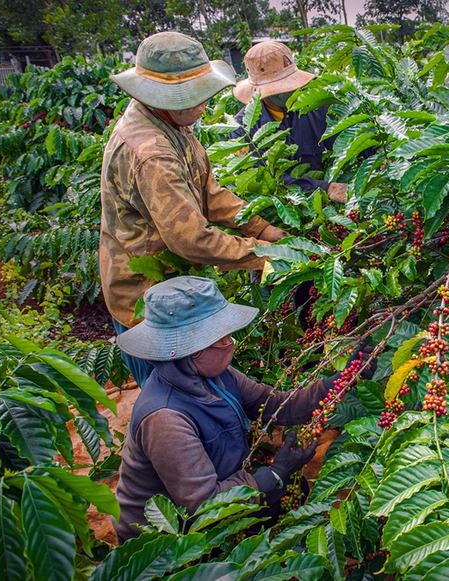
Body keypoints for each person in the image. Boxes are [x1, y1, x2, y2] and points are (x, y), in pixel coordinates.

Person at [112, 276, 376, 542]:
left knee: (292, 491)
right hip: (168, 536)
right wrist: (274, 473)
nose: (230, 342)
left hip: (218, 491)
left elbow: (276, 405)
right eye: (221, 337)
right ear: (190, 350)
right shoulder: (165, 418)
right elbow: (205, 504)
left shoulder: (216, 376)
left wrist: (341, 380)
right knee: (276, 493)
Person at [101, 32, 288, 388]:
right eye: (197, 96)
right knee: (175, 404)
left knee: (205, 396)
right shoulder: (151, 153)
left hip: (176, 286)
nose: (205, 105)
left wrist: (262, 228)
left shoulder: (170, 122)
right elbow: (191, 239)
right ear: (165, 97)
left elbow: (209, 191)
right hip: (148, 298)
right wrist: (269, 255)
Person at [229, 41, 349, 202]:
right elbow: (259, 179)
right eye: (284, 88)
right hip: (274, 208)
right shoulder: (242, 128)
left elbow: (346, 142)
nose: (293, 91)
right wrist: (325, 188)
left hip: (321, 206)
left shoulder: (315, 108)